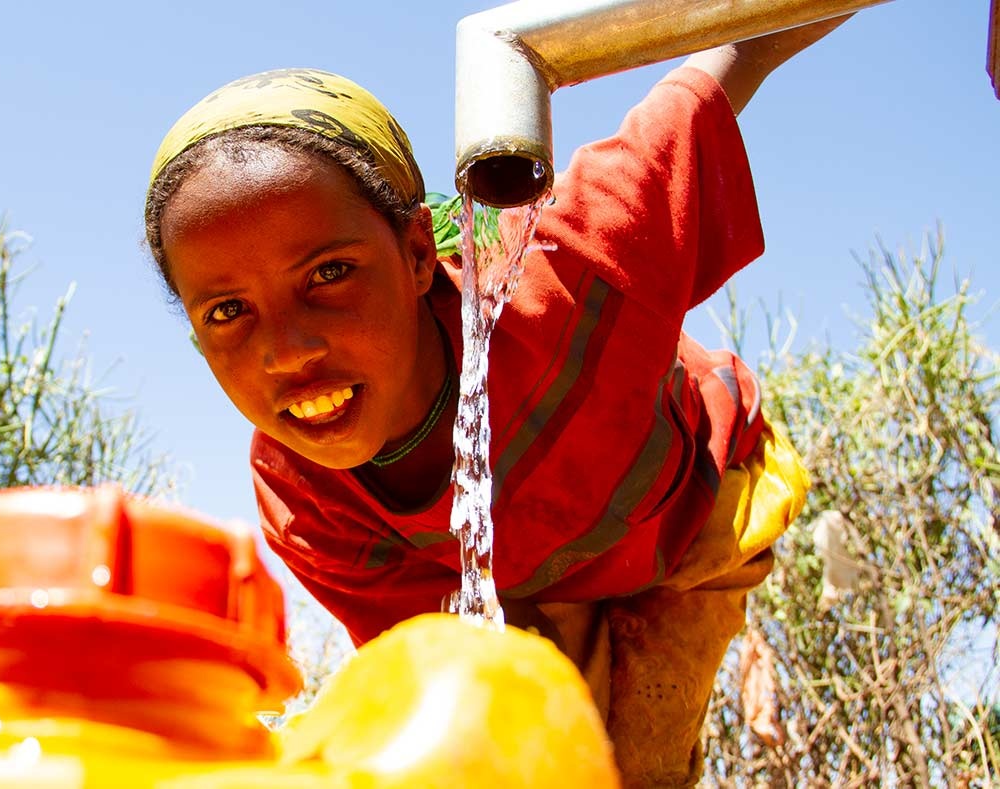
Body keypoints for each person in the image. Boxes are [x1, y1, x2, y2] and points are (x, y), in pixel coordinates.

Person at [143, 16, 847, 787]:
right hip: (527, 583)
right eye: (226, 311)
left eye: (329, 273)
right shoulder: (300, 491)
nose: (287, 351)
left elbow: (734, 52)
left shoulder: (567, 273)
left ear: (416, 254)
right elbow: (426, 669)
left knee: (636, 772)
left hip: (687, 525)